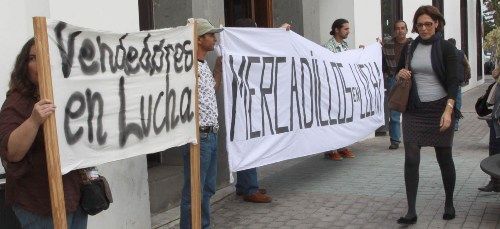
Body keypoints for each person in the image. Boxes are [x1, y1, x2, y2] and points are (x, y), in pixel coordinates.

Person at [0, 38, 88, 228]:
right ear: (24, 65)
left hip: (73, 196)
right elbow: (12, 152)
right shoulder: (16, 102)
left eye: (47, 57)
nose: (40, 63)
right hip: (38, 203)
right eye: (33, 58)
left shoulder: (67, 95)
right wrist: (34, 121)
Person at [396, 5, 459, 224]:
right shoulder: (410, 47)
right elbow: (398, 71)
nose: (423, 28)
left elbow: (454, 82)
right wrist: (401, 74)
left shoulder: (447, 48)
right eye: (419, 25)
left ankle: (449, 202)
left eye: (428, 24)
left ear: (437, 24)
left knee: (444, 158)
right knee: (411, 158)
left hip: (441, 109)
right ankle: (411, 211)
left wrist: (449, 111)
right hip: (415, 110)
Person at [214, 18, 273, 203]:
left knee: (245, 143)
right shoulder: (232, 49)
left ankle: (244, 186)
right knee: (248, 145)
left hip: (246, 103)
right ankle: (250, 189)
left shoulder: (238, 49)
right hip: (241, 105)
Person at [180, 18, 223, 229]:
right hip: (199, 136)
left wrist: (220, 67)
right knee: (194, 191)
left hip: (211, 134)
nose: (214, 39)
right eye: (210, 35)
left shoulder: (203, 65)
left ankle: (202, 225)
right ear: (198, 39)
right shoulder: (187, 66)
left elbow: (210, 90)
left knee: (206, 189)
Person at [322, 18, 356, 161]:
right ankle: (331, 149)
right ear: (337, 30)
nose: (348, 31)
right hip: (332, 88)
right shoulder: (327, 47)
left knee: (344, 117)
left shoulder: (345, 45)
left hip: (343, 87)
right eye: (346, 29)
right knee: (333, 118)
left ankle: (343, 146)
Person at [382, 20, 412, 150]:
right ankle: (395, 140)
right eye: (397, 28)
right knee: (394, 111)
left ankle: (412, 139)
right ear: (395, 30)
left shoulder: (413, 45)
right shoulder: (387, 45)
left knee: (411, 111)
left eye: (402, 28)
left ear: (406, 29)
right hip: (393, 80)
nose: (400, 31)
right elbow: (381, 62)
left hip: (409, 79)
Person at [447, 38, 471, 131]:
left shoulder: (445, 54)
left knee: (448, 102)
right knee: (457, 101)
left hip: (448, 82)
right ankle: (455, 124)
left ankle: (450, 122)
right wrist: (467, 78)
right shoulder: (461, 53)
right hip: (457, 82)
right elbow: (467, 66)